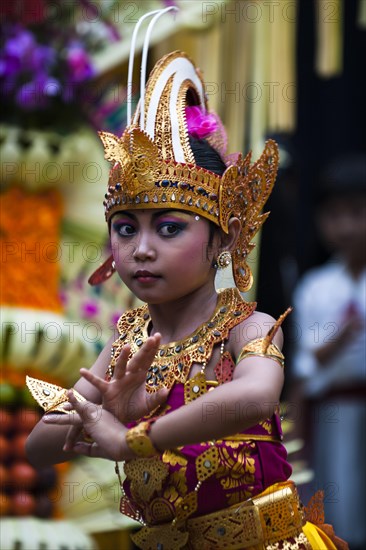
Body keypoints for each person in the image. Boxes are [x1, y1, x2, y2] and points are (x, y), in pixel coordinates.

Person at [26, 9, 348, 550]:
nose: (141, 249)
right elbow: (38, 448)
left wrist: (134, 438)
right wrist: (101, 408)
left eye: (170, 228)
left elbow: (254, 396)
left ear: (224, 240)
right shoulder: (127, 346)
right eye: (124, 229)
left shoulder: (248, 326)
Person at [292, 154, 366, 550]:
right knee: (339, 506)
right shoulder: (316, 288)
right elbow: (307, 367)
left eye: (357, 213)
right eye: (334, 216)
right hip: (333, 414)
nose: (346, 227)